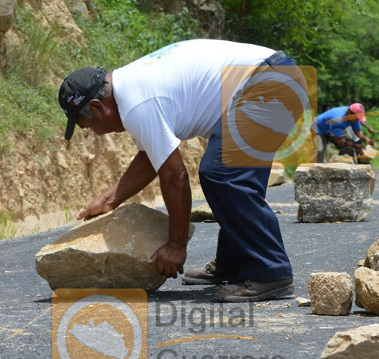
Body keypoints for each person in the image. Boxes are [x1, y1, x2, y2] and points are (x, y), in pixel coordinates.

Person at [58, 39, 300, 302]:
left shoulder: (137, 102)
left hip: (269, 82)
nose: (93, 131)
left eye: (87, 125)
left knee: (222, 174)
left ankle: (270, 273)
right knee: (225, 174)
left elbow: (175, 176)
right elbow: (152, 158)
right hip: (273, 78)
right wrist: (110, 199)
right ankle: (235, 262)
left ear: (97, 107)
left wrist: (176, 245)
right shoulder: (132, 88)